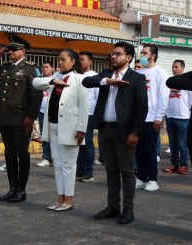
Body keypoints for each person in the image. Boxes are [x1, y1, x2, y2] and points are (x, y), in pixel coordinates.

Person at [83, 42, 148, 224]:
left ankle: (128, 209)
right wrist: (107, 81)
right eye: (112, 54)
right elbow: (86, 81)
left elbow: (142, 107)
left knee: (126, 171)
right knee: (110, 170)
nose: (113, 57)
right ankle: (113, 207)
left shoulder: (136, 78)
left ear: (128, 57)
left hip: (124, 131)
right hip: (105, 129)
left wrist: (135, 131)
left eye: (118, 54)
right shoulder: (105, 74)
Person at [0, 35, 43, 203]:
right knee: (9, 154)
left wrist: (31, 117)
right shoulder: (5, 66)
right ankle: (12, 188)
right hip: (5, 117)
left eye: (14, 49)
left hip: (21, 118)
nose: (11, 52)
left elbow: (36, 95)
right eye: (9, 49)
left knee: (22, 153)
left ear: (23, 51)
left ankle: (21, 190)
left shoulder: (31, 68)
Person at [33, 49, 88, 211]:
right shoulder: (55, 77)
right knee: (57, 164)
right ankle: (60, 198)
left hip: (71, 128)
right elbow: (35, 82)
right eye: (59, 60)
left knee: (68, 165)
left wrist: (82, 129)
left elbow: (84, 106)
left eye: (64, 59)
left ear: (73, 61)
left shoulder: (79, 79)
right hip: (53, 126)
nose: (60, 62)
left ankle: (69, 199)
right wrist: (52, 82)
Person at [135, 44, 169, 191]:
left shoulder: (160, 72)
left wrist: (159, 116)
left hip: (151, 117)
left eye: (144, 53)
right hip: (138, 118)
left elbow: (163, 95)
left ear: (153, 56)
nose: (142, 55)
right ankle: (141, 178)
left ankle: (152, 180)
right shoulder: (137, 73)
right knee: (138, 150)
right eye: (141, 53)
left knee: (149, 150)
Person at [163, 60, 191, 175]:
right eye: (173, 67)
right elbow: (165, 100)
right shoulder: (170, 82)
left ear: (182, 68)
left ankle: (183, 165)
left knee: (182, 143)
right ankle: (174, 164)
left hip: (183, 117)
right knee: (173, 143)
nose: (174, 69)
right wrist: (165, 115)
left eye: (176, 67)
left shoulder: (187, 82)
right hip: (170, 117)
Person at [76, 51, 99, 182]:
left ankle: (89, 172)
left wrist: (96, 115)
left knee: (88, 143)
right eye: (79, 59)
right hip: (77, 114)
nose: (80, 62)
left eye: (83, 59)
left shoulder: (94, 76)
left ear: (90, 62)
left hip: (89, 113)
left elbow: (98, 96)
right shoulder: (77, 76)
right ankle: (79, 169)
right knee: (79, 143)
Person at [36, 61, 54, 167]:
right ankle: (46, 157)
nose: (45, 69)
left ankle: (56, 158)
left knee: (55, 136)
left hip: (54, 113)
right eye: (43, 67)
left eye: (47, 67)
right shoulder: (40, 81)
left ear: (52, 69)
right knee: (45, 136)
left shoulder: (57, 79)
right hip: (42, 112)